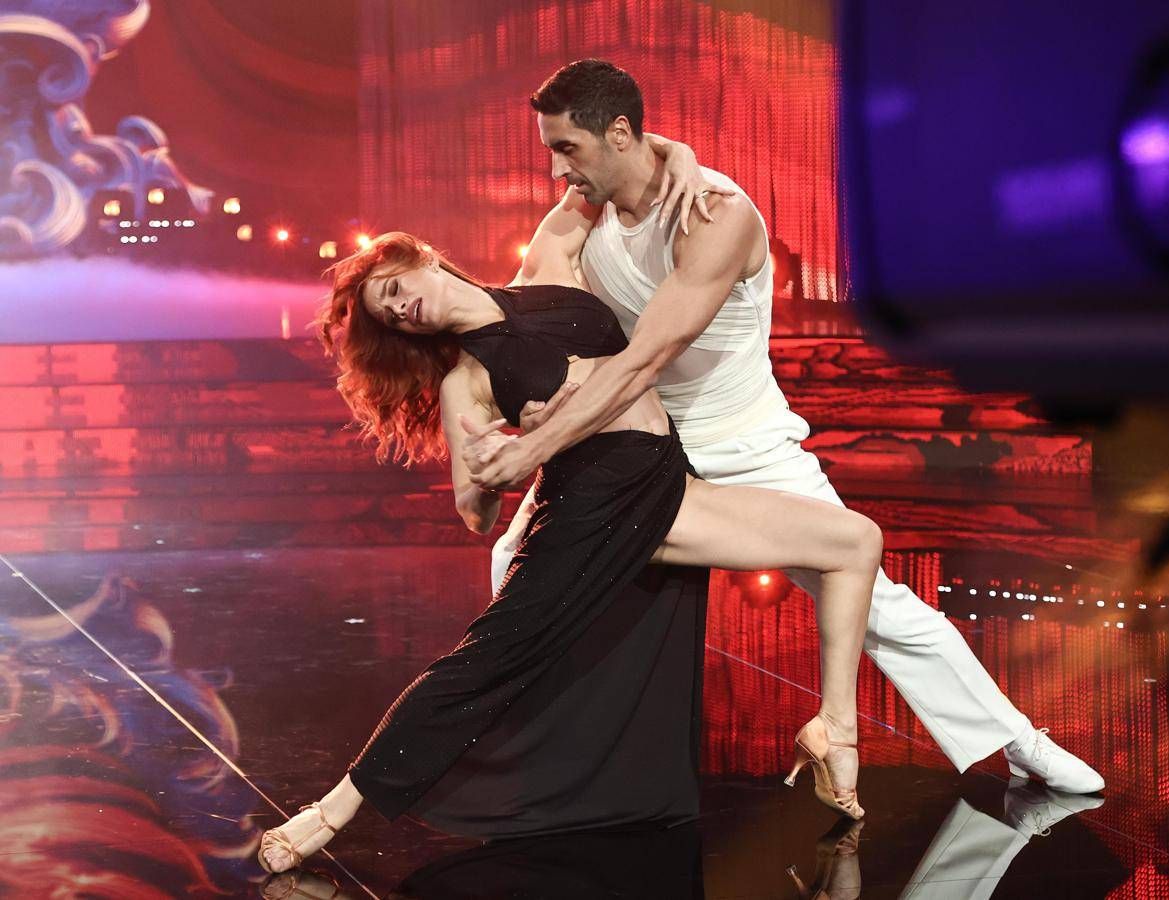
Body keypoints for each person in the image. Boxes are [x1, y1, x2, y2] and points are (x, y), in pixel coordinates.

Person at [471, 59, 1105, 795]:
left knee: (874, 604)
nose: (556, 171)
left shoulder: (719, 215)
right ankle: (524, 752)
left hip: (742, 444)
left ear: (618, 134)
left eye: (567, 149)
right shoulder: (581, 212)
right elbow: (525, 320)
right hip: (634, 436)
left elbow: (646, 358)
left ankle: (1020, 742)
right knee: (515, 561)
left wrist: (534, 449)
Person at [256, 149, 883, 874]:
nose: (399, 308)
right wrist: (491, 466)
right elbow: (473, 513)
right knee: (483, 663)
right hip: (592, 513)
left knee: (855, 542)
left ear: (421, 258)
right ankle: (329, 813)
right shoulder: (468, 381)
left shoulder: (548, 261)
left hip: (666, 488)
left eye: (394, 289)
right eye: (389, 314)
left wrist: (681, 159)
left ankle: (833, 732)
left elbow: (599, 156)